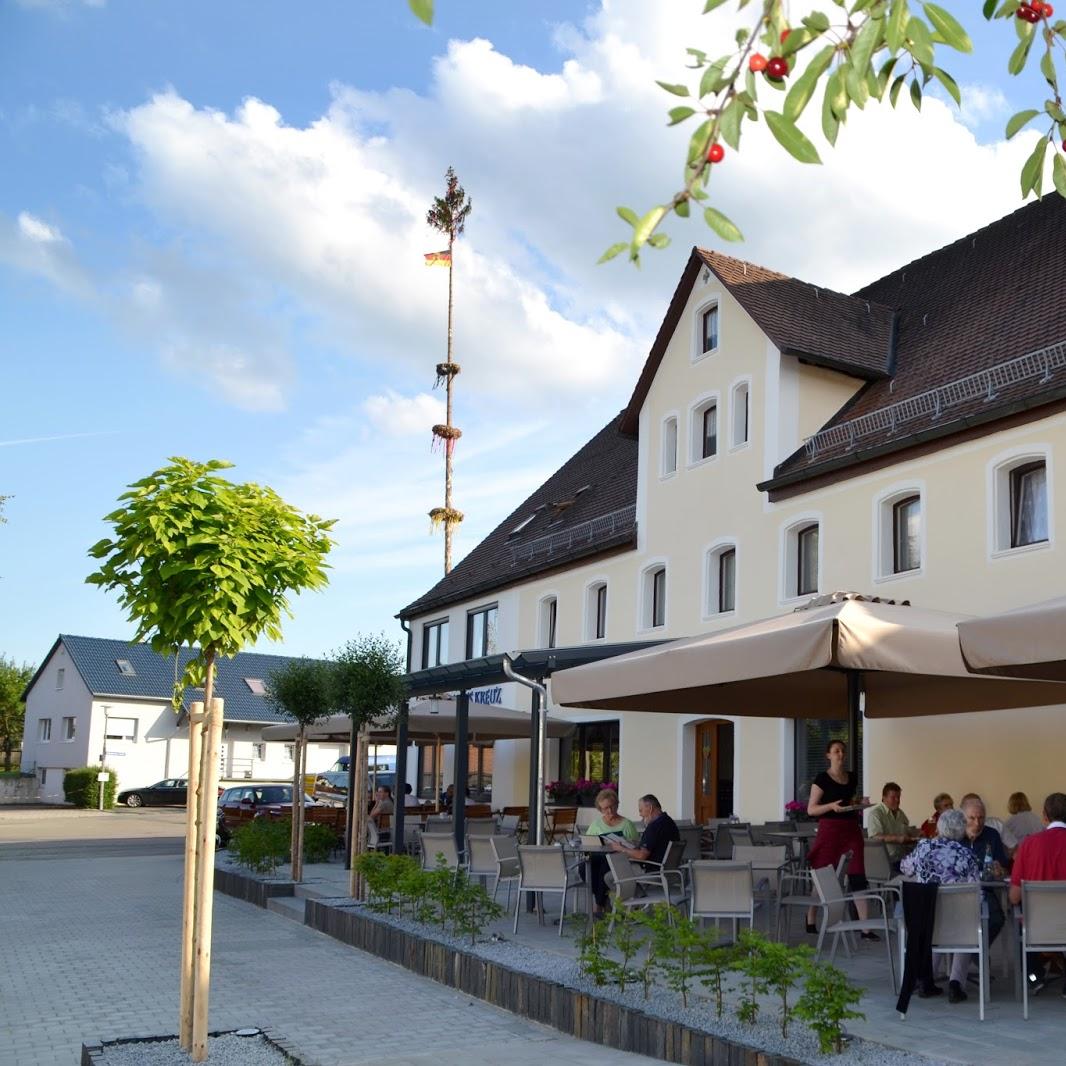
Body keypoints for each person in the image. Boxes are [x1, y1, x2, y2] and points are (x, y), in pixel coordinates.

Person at [900, 808, 980, 1003]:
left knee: (935, 922)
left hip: (925, 921)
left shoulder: (923, 847)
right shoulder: (967, 855)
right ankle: (956, 983)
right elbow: (975, 891)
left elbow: (905, 867)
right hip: (956, 924)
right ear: (962, 830)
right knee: (968, 921)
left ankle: (926, 981)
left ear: (939, 827)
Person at [806, 739, 876, 938]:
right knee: (823, 874)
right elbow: (811, 809)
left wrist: (861, 802)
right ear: (828, 755)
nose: (841, 754)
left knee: (857, 874)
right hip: (829, 830)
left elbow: (850, 802)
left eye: (843, 751)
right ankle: (811, 916)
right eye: (836, 751)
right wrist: (830, 806)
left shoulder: (852, 777)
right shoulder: (822, 779)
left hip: (851, 830)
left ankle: (865, 928)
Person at [1009, 792, 1066, 992]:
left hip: (1036, 926)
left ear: (1044, 816)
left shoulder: (1029, 844)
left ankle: (1034, 976)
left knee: (1017, 916)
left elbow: (1014, 896)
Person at [958, 795, 1009, 954]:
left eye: (981, 818)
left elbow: (1004, 867)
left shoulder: (992, 835)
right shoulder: (955, 836)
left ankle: (977, 952)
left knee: (997, 919)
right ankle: (970, 953)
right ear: (963, 818)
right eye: (972, 818)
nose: (977, 823)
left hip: (984, 889)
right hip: (957, 891)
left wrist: (1000, 870)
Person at [584, 788, 639, 916]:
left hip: (619, 860)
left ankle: (599, 905)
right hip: (598, 857)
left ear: (617, 805)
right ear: (600, 809)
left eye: (612, 806)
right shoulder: (596, 824)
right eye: (605, 808)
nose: (609, 811)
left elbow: (635, 846)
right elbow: (587, 843)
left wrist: (623, 844)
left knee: (605, 865)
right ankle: (603, 901)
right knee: (583, 868)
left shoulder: (627, 824)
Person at [607, 793, 679, 866]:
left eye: (641, 810)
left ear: (650, 808)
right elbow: (655, 844)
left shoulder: (654, 826)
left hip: (651, 869)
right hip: (668, 869)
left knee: (612, 870)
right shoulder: (669, 822)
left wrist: (621, 849)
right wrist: (635, 843)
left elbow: (641, 856)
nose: (640, 814)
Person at [867, 782, 918, 868]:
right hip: (887, 863)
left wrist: (917, 833)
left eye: (898, 797)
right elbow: (875, 837)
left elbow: (906, 830)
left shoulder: (900, 813)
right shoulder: (875, 813)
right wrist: (897, 838)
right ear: (884, 798)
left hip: (902, 858)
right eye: (893, 797)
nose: (897, 800)